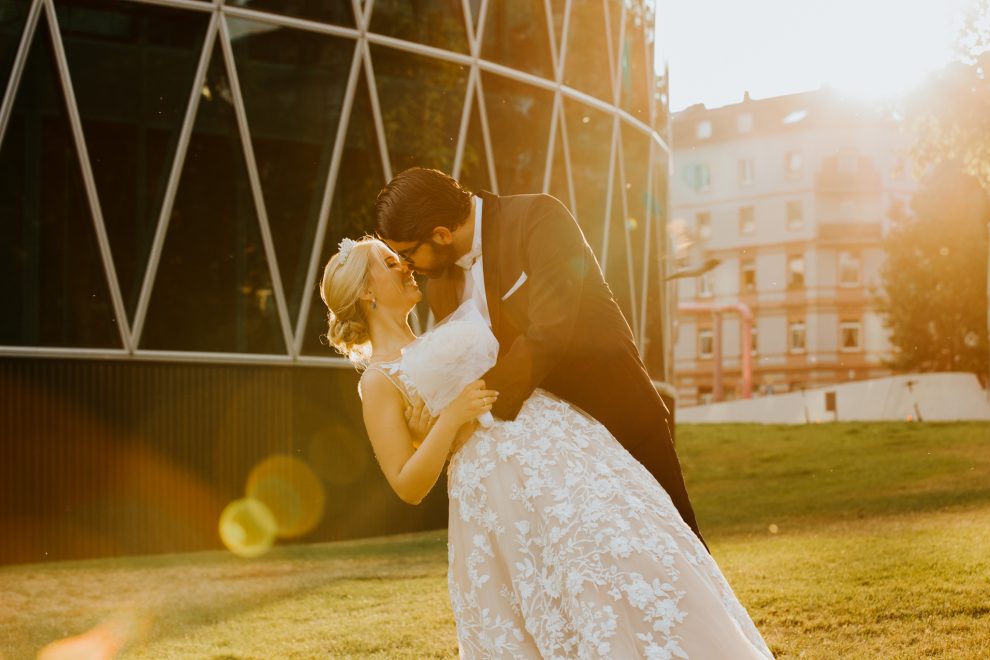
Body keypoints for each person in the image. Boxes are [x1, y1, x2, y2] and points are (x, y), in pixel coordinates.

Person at [319, 237, 773, 658]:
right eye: (390, 262)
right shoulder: (378, 382)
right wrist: (450, 419)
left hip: (564, 451)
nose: (407, 267)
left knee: (622, 553)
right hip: (502, 495)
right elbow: (407, 483)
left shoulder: (438, 333)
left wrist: (441, 425)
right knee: (561, 592)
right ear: (366, 293)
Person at [373, 167, 706, 548]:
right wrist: (432, 423)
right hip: (544, 459)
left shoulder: (538, 218)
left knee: (676, 546)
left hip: (615, 413)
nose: (408, 267)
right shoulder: (441, 285)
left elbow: (550, 331)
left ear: (441, 234)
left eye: (407, 254)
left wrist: (473, 407)